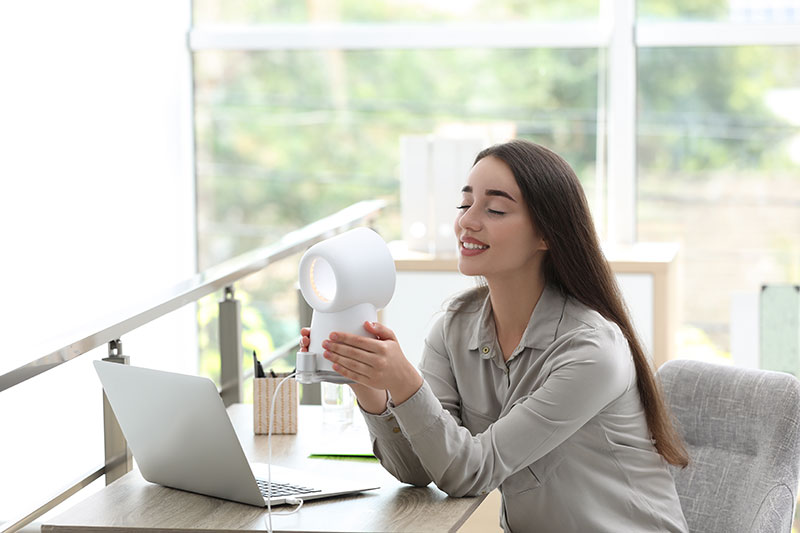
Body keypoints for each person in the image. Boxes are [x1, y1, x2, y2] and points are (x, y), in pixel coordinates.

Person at [300, 139, 689, 532]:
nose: (468, 221)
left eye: (496, 209)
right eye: (464, 204)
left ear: (546, 235)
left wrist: (404, 382)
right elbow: (418, 468)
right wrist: (368, 384)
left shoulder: (592, 352)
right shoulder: (455, 326)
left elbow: (471, 472)